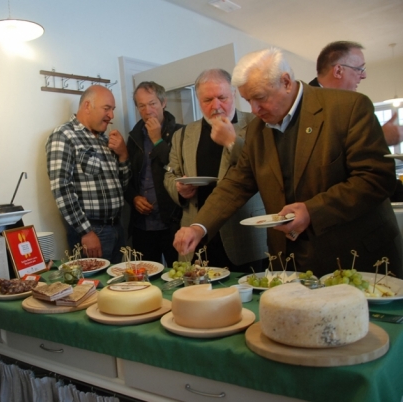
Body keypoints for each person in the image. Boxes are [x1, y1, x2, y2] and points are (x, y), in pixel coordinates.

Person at [173, 48, 403, 279]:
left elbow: (375, 179)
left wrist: (312, 211)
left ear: (285, 82)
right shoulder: (257, 130)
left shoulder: (348, 108)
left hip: (356, 258)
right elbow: (236, 184)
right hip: (290, 262)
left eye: (260, 98)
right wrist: (198, 226)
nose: (254, 109)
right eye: (248, 100)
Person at [164, 69, 267, 270]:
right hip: (197, 235)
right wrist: (179, 189)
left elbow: (264, 167)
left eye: (222, 97)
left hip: (244, 236)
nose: (216, 106)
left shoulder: (257, 124)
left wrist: (232, 142)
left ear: (234, 94)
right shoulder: (183, 134)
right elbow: (170, 175)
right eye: (207, 100)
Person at [46, 85, 130, 263]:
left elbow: (122, 186)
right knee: (95, 287)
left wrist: (123, 155)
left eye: (112, 110)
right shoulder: (64, 136)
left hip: (117, 227)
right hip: (92, 230)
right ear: (87, 106)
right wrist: (85, 231)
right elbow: (61, 188)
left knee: (119, 288)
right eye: (106, 108)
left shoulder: (106, 140)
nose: (111, 116)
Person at [124, 81, 183, 264]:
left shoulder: (181, 132)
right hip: (142, 224)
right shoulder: (134, 137)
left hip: (173, 222)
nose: (147, 110)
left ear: (163, 102)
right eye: (141, 105)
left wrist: (157, 140)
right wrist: (133, 198)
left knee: (180, 276)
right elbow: (127, 176)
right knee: (145, 279)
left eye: (152, 103)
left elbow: (178, 170)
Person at [310, 41, 403, 145]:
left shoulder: (349, 105)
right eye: (360, 69)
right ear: (338, 71)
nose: (364, 76)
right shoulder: (305, 103)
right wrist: (378, 138)